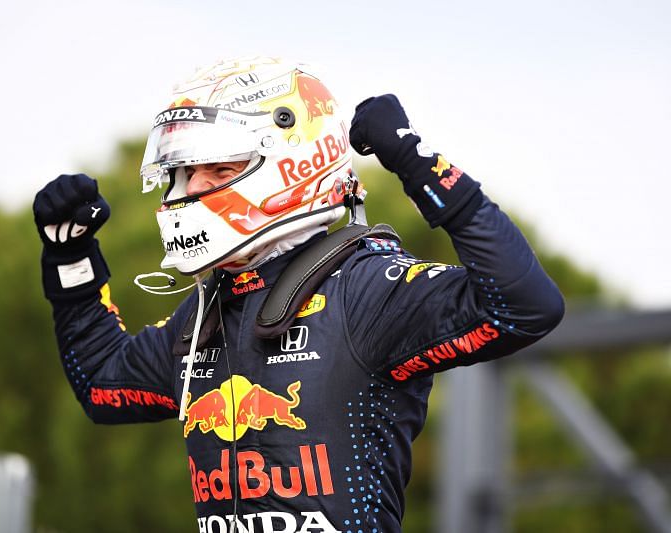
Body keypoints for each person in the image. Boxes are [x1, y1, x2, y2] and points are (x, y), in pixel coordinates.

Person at [33, 57, 564, 533]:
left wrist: (418, 163)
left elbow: (525, 306)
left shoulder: (365, 288)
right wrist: (69, 257)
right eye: (185, 172)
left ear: (293, 166)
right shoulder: (206, 314)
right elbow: (101, 385)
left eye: (218, 169)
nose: (191, 189)